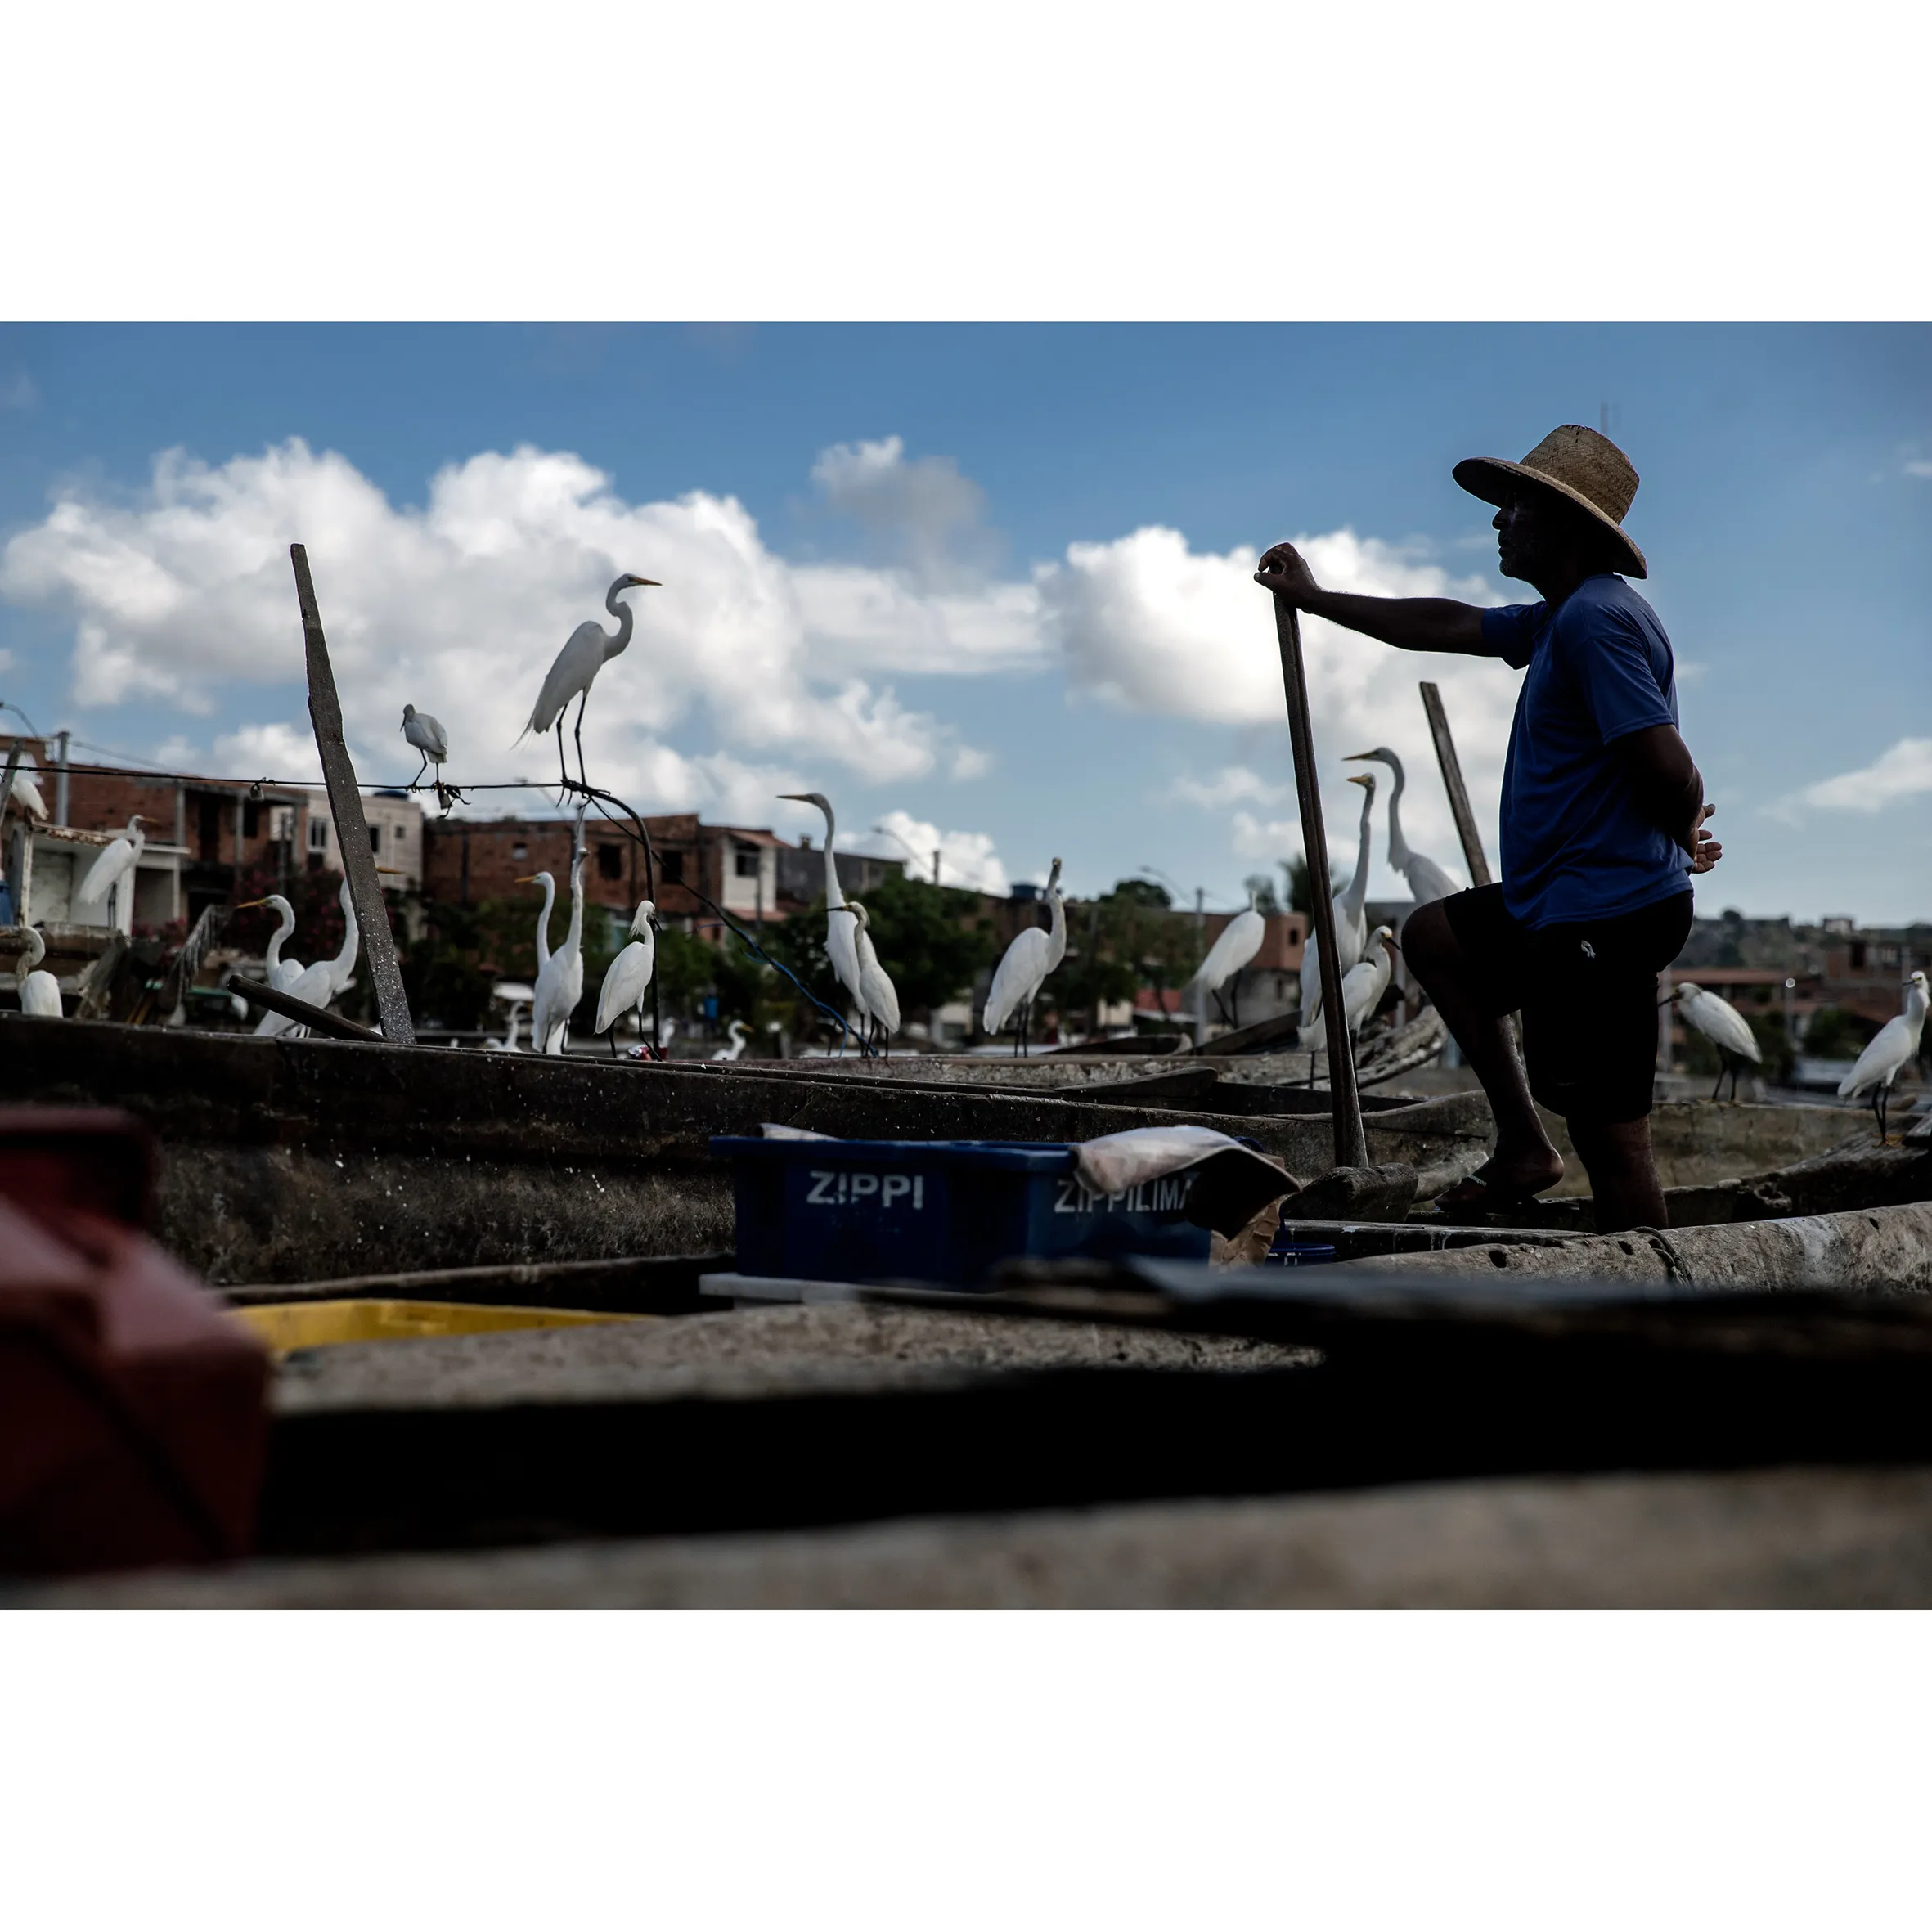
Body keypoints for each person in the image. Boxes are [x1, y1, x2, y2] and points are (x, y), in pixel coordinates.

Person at [1255, 424, 1722, 1233]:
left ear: (1568, 529)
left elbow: (1675, 771)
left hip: (1604, 915)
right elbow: (1446, 624)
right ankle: (1521, 1146)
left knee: (1613, 1144)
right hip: (1562, 902)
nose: (1499, 522)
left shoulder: (1594, 623)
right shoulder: (1557, 619)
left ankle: (1655, 1312)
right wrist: (1317, 599)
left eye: (1516, 508)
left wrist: (1678, 828)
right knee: (1435, 938)